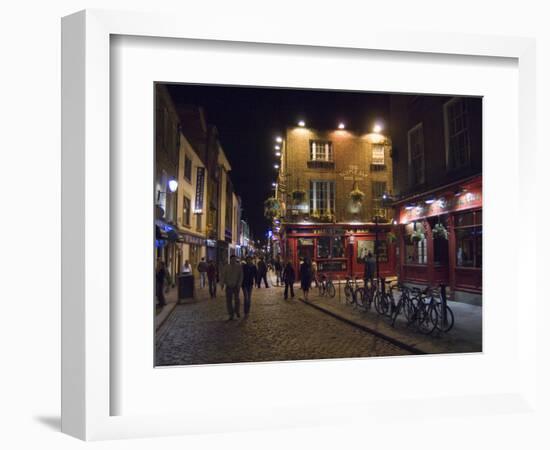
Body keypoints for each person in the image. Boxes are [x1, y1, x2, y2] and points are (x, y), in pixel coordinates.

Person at [221, 255, 243, 320]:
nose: (233, 260)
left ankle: (237, 310)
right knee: (229, 301)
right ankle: (231, 314)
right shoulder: (226, 267)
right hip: (228, 286)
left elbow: (241, 276)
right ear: (230, 259)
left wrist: (239, 284)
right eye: (232, 259)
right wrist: (222, 284)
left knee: (237, 300)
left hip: (236, 286)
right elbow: (223, 276)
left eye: (234, 259)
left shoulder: (239, 267)